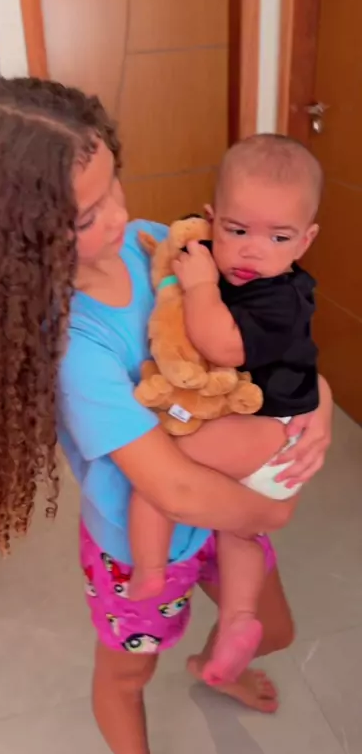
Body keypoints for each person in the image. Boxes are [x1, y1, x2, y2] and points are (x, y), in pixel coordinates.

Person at [0, 79, 332, 754]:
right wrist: (272, 511)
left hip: (219, 513)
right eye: (89, 215)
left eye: (114, 182)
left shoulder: (155, 243)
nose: (121, 214)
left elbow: (267, 341)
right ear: (21, 240)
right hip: (139, 546)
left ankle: (212, 664)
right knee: (129, 673)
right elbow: (172, 487)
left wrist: (321, 402)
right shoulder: (73, 344)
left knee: (272, 629)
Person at [128, 135, 324, 691]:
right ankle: (239, 618)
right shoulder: (212, 251)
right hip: (261, 436)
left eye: (278, 237)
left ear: (305, 240)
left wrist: (198, 287)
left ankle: (149, 571)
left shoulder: (281, 297)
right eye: (237, 231)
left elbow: (223, 347)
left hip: (274, 435)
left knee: (161, 469)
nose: (251, 252)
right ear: (212, 219)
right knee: (240, 536)